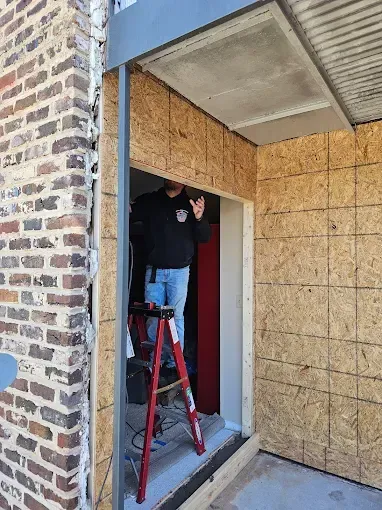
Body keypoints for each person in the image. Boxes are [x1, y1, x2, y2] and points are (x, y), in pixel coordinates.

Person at [130, 180, 211, 382]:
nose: (171, 180)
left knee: (176, 318)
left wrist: (200, 218)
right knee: (153, 317)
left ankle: (174, 364)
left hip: (180, 272)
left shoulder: (191, 205)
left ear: (183, 182)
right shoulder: (150, 201)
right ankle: (153, 363)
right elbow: (128, 214)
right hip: (155, 271)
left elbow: (205, 237)